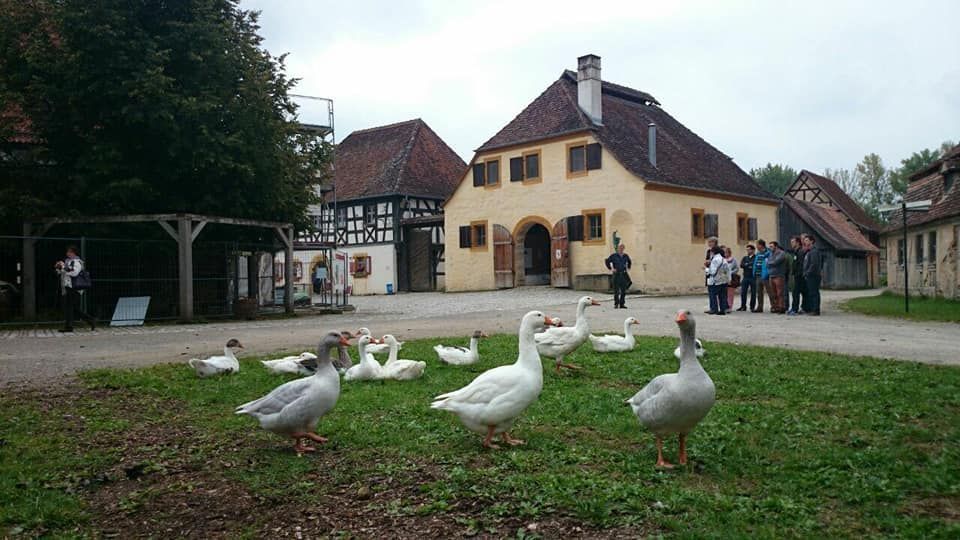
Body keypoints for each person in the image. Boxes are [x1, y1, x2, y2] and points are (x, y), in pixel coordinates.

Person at [55, 245, 95, 332]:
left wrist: (63, 267)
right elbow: (63, 272)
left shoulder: (77, 262)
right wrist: (58, 267)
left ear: (73, 253)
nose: (67, 253)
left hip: (75, 288)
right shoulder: (68, 262)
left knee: (69, 307)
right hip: (68, 287)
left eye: (69, 252)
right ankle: (90, 320)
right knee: (73, 308)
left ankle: (69, 327)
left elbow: (74, 273)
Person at [605, 243, 632, 309]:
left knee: (623, 290)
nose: (621, 249)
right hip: (616, 274)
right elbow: (607, 261)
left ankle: (622, 304)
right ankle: (616, 304)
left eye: (622, 247)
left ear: (623, 248)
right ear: (617, 248)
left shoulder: (625, 256)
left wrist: (628, 267)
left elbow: (629, 261)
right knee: (616, 290)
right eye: (620, 247)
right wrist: (611, 269)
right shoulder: (614, 256)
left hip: (623, 274)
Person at [705, 245, 729, 315]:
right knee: (722, 296)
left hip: (715, 281)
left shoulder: (715, 260)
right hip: (723, 280)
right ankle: (722, 310)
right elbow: (727, 270)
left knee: (713, 295)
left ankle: (714, 309)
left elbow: (712, 271)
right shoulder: (723, 259)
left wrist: (706, 269)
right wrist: (728, 279)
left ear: (713, 252)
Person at [802, 234, 822, 316]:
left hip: (813, 275)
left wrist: (807, 273)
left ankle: (816, 310)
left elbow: (814, 264)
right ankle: (812, 309)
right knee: (811, 293)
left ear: (812, 241)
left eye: (807, 240)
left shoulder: (814, 251)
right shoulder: (809, 251)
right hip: (810, 275)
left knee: (814, 293)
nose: (805, 242)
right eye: (805, 240)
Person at [765, 241, 787, 314]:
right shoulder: (771, 254)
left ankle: (782, 307)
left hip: (779, 275)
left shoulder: (781, 253)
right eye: (770, 246)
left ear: (776, 246)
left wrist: (769, 262)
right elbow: (767, 264)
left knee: (780, 293)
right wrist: (769, 262)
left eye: (771, 246)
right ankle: (776, 307)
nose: (770, 248)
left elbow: (775, 262)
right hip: (771, 275)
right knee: (774, 293)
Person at [787, 236, 806, 315]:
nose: (791, 244)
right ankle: (799, 308)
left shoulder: (800, 252)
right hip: (797, 275)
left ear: (797, 243)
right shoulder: (796, 251)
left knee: (797, 292)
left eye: (793, 242)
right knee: (798, 292)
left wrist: (799, 273)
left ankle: (795, 309)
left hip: (800, 275)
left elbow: (801, 264)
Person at [751, 239, 771, 313]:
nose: (756, 246)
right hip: (758, 275)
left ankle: (774, 306)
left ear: (761, 245)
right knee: (759, 293)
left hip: (765, 275)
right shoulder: (758, 253)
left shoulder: (768, 253)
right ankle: (759, 307)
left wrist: (767, 273)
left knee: (770, 292)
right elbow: (755, 263)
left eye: (757, 244)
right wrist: (754, 272)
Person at [738, 244, 756, 311]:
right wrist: (748, 265)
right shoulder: (745, 258)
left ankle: (752, 307)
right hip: (745, 277)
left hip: (753, 277)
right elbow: (741, 265)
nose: (748, 251)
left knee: (753, 293)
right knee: (743, 292)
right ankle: (743, 306)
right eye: (747, 250)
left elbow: (753, 265)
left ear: (753, 250)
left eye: (749, 249)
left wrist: (747, 264)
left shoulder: (755, 257)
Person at [703, 236, 718, 312]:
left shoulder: (718, 251)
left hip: (715, 274)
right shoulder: (709, 251)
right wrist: (706, 263)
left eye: (710, 242)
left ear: (714, 243)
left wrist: (710, 262)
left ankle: (715, 308)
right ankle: (712, 307)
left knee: (714, 291)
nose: (709, 243)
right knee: (710, 291)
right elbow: (707, 260)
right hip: (709, 272)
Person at [723, 246, 739, 314]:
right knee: (723, 293)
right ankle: (723, 306)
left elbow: (736, 268)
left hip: (731, 278)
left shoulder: (733, 260)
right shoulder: (722, 260)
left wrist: (731, 272)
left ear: (729, 253)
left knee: (730, 294)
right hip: (723, 278)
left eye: (726, 252)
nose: (725, 254)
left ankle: (729, 307)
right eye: (724, 252)